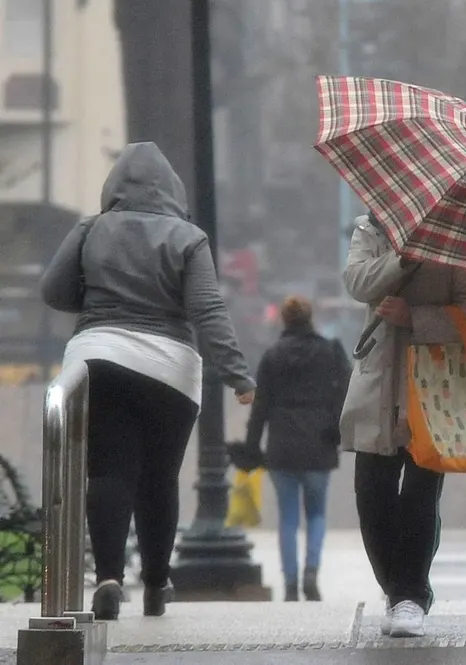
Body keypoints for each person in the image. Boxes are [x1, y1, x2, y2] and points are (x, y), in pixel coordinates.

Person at [40, 141, 256, 620]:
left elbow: (53, 291)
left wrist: (100, 305)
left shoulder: (91, 228)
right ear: (173, 190)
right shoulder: (188, 237)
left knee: (109, 471)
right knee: (160, 479)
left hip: (100, 357)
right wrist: (238, 373)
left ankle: (111, 578)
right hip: (170, 368)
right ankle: (157, 584)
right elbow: (207, 309)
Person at [340, 212, 466, 638]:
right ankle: (398, 590)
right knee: (371, 493)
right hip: (379, 382)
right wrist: (402, 258)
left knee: (421, 494)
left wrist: (416, 318)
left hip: (435, 383)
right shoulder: (370, 228)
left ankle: (409, 597)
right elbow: (357, 282)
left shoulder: (463, 235)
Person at [244, 295, 351, 602]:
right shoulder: (329, 352)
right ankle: (311, 573)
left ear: (284, 320)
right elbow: (344, 394)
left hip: (281, 445)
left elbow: (260, 407)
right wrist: (337, 429)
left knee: (288, 518)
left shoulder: (272, 356)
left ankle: (290, 582)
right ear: (310, 317)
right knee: (316, 513)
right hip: (319, 443)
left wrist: (252, 446)